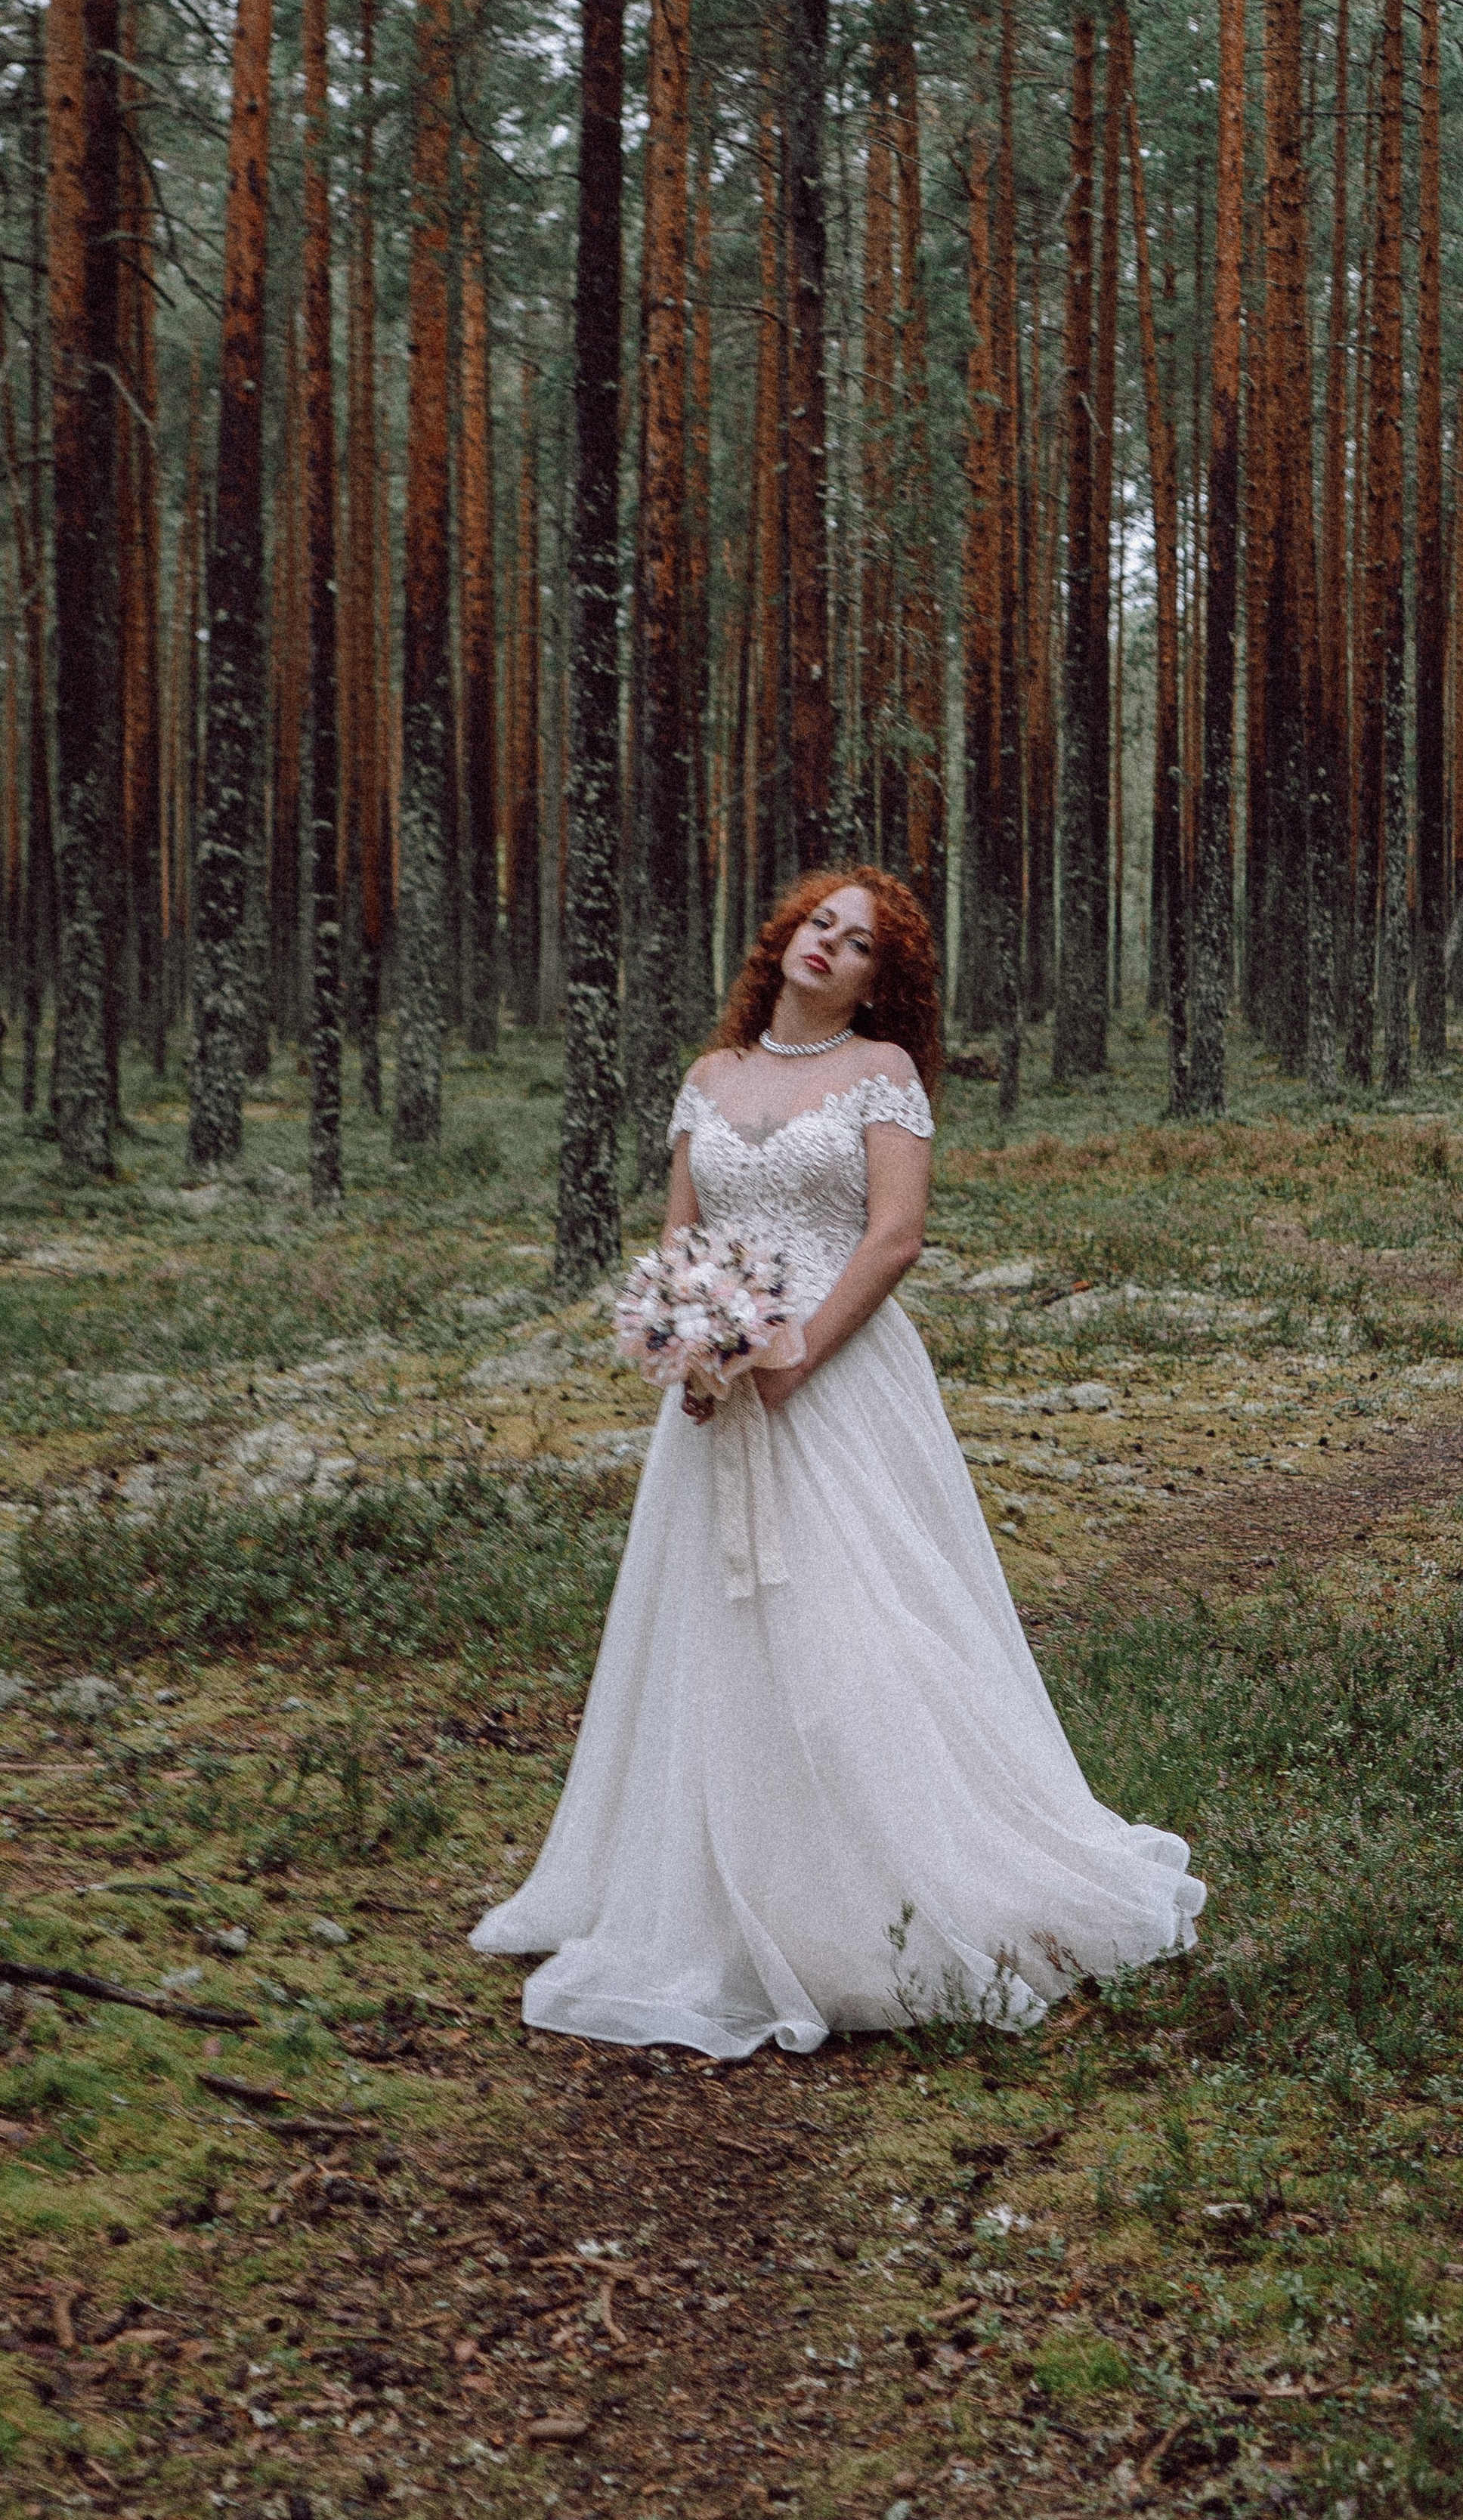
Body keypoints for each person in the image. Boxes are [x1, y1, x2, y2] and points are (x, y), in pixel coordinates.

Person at [472, 867, 1203, 2057]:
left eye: (859, 943)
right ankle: (714, 1886)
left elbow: (896, 1233)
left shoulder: (882, 1076)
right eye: (821, 924)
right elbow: (681, 1232)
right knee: (715, 1625)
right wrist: (693, 1344)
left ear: (880, 978)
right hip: (721, 1388)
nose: (830, 946)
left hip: (841, 1375)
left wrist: (800, 1348)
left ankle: (885, 1890)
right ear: (785, 938)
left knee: (855, 1616)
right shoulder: (709, 1078)